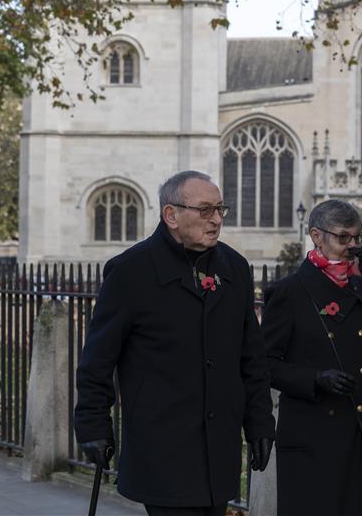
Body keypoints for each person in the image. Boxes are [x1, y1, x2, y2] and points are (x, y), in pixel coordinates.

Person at [74, 170, 275, 516]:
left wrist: (259, 422)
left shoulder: (234, 268)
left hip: (218, 444)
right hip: (162, 441)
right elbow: (98, 357)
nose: (216, 220)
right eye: (205, 210)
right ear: (171, 215)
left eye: (220, 210)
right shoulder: (130, 271)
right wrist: (93, 424)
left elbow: (251, 356)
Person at [261, 199, 362, 516]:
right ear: (316, 235)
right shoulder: (290, 291)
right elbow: (265, 365)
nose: (352, 246)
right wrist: (315, 378)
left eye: (358, 238)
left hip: (360, 429)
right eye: (343, 238)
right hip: (313, 433)